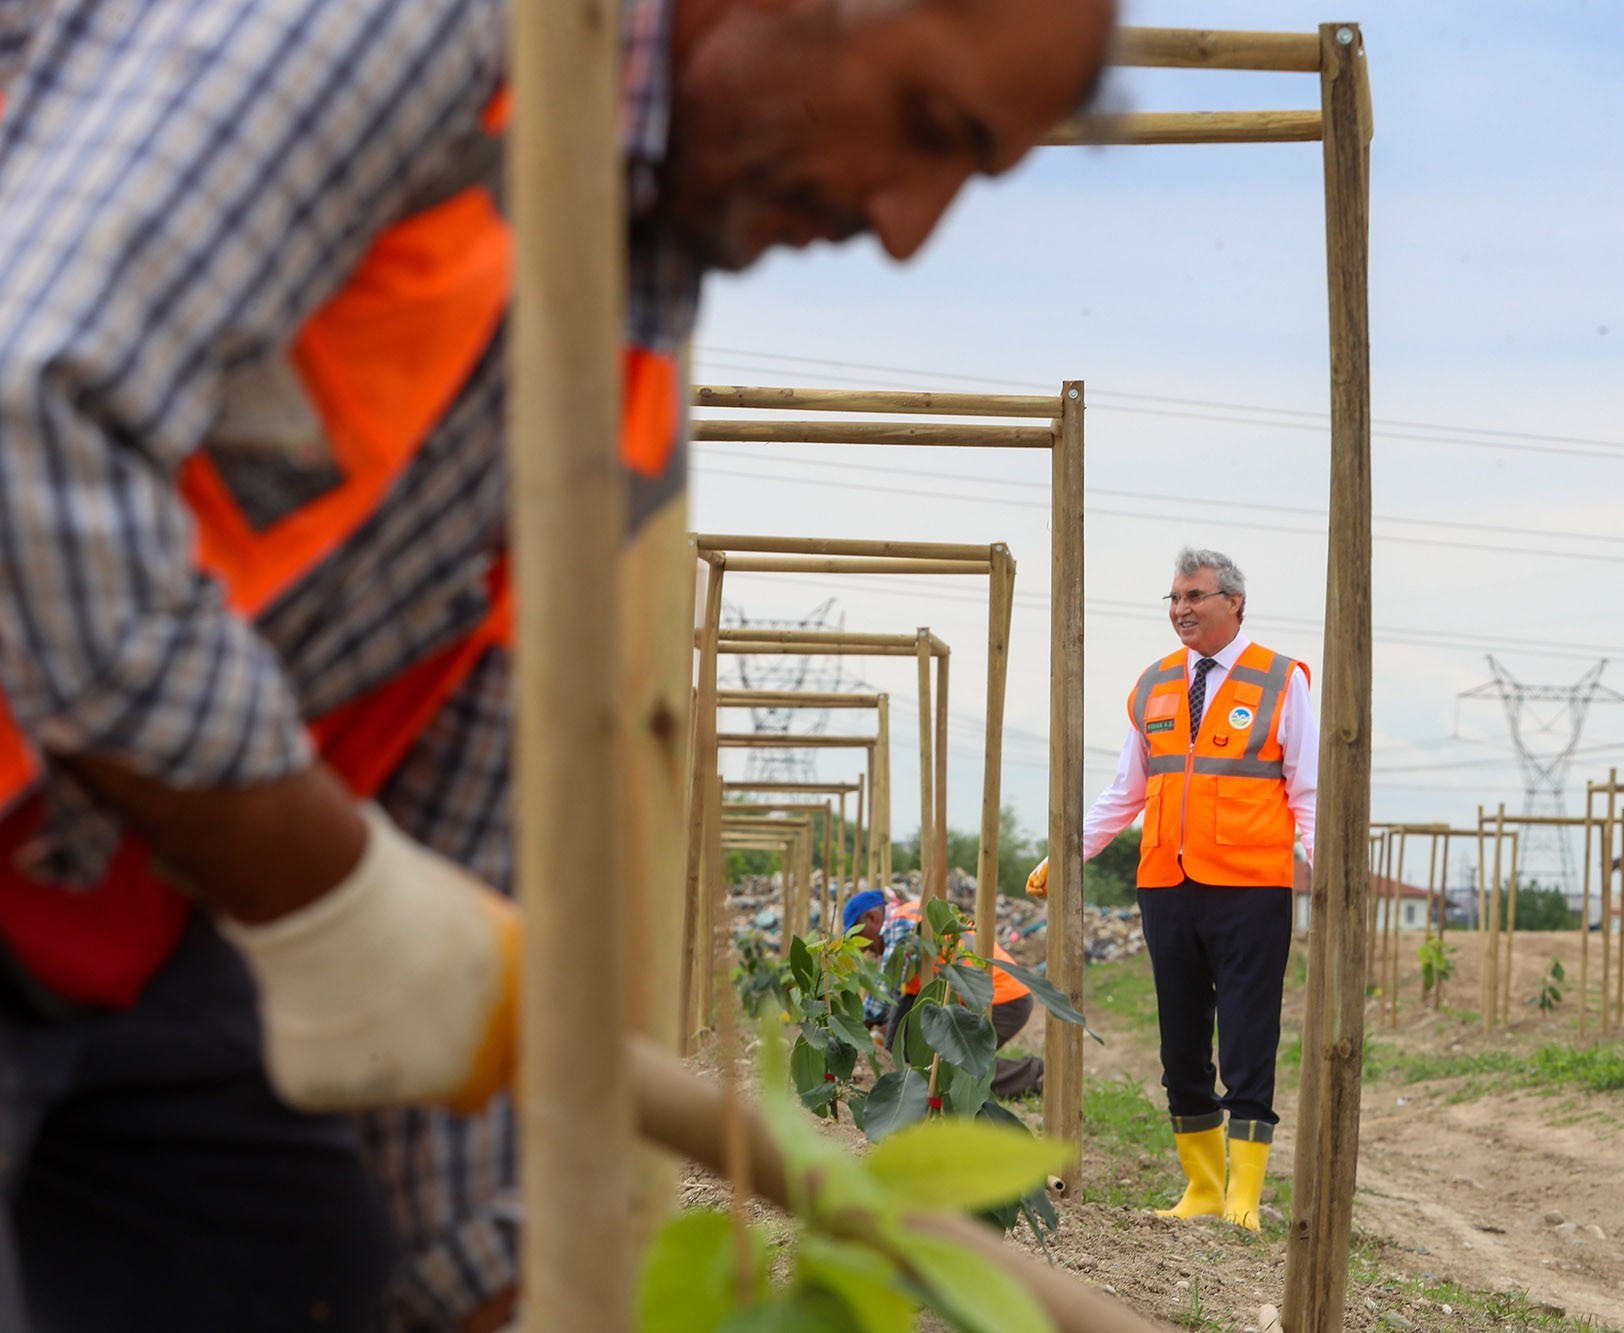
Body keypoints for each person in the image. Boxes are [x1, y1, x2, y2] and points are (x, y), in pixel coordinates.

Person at [0, 0, 1114, 1327]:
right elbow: (27, 427)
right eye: (925, 128)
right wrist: (331, 887)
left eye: (968, 177)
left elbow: (459, 836)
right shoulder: (415, 32)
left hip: (116, 910)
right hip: (127, 851)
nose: (906, 226)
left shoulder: (615, 358)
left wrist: (507, 1282)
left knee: (300, 1266)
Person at [1026, 548, 1316, 1231]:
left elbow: (1307, 790)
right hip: (1167, 886)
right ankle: (1203, 1186)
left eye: (1195, 596)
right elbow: (1125, 791)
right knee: (1181, 1045)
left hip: (1251, 889)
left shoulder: (1281, 680)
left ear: (1234, 603)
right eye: (1175, 598)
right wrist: (1064, 854)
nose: (1181, 609)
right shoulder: (1155, 684)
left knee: (1248, 1039)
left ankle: (1244, 1196)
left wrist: (1328, 878)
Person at [850, 892, 1043, 1098]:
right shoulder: (912, 918)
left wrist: (856, 1030)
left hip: (1001, 998)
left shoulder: (901, 922)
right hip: (998, 994)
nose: (863, 948)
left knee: (952, 1069)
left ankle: (1037, 1075)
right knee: (951, 1066)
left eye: (858, 936)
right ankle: (1035, 1074)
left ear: (872, 918)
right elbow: (904, 998)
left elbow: (889, 984)